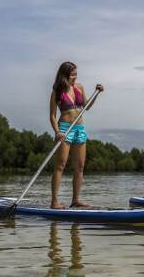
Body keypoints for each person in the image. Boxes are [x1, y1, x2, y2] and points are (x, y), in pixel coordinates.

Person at [49, 61, 104, 209]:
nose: (75, 77)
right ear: (65, 75)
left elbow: (87, 106)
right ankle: (54, 202)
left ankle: (75, 201)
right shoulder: (57, 91)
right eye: (72, 74)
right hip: (65, 129)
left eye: (76, 74)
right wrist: (57, 131)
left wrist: (97, 93)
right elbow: (52, 116)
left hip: (80, 128)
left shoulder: (79, 87)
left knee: (80, 167)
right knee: (60, 165)